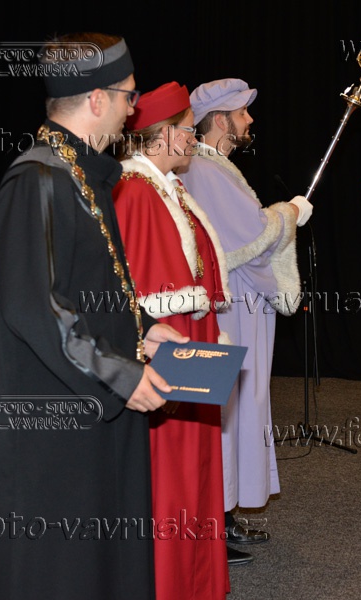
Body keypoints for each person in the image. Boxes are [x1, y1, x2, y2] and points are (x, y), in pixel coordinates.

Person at [0, 34, 187, 600]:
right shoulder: (36, 180)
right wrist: (121, 375)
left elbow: (92, 284)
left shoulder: (81, 173)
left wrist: (142, 329)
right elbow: (36, 307)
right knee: (63, 572)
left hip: (90, 406)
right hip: (53, 427)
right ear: (96, 99)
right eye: (129, 96)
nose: (133, 109)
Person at [178, 79, 313, 561]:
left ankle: (223, 517)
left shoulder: (216, 167)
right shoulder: (205, 170)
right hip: (231, 307)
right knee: (228, 410)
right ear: (220, 120)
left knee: (233, 409)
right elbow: (251, 237)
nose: (250, 120)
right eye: (242, 113)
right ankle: (212, 525)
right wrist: (290, 213)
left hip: (237, 301)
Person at [112, 82, 229, 598]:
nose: (193, 138)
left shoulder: (170, 188)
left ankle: (194, 581)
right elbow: (134, 289)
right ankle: (170, 583)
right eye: (186, 129)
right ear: (161, 135)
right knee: (172, 469)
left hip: (189, 340)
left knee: (195, 464)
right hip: (167, 347)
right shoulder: (135, 191)